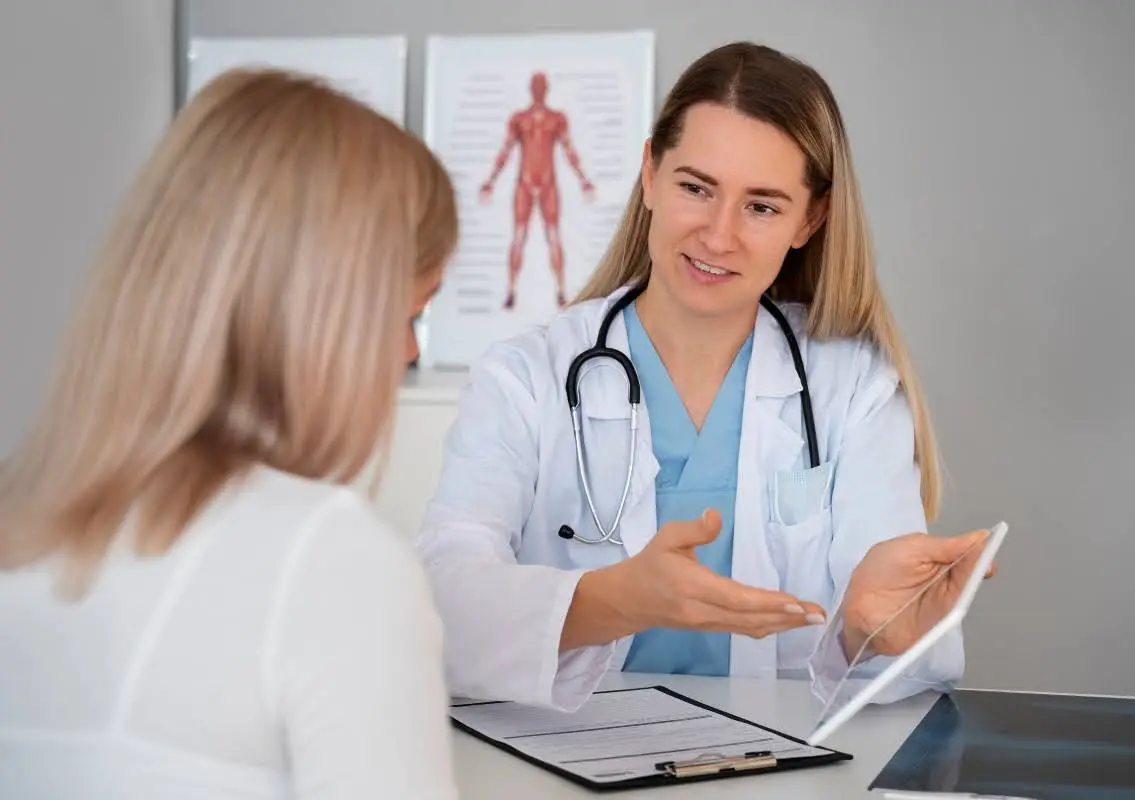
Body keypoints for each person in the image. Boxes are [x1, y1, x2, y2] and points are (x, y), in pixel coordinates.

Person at [416, 41, 998, 714]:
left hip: (776, 759)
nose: (719, 236)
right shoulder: (526, 378)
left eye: (762, 206)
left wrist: (869, 631)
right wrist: (613, 601)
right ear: (649, 174)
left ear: (811, 219)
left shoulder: (852, 391)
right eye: (695, 188)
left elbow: (907, 659)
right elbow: (438, 603)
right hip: (561, 755)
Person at [0, 68, 460, 798]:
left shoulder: (20, 518)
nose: (407, 354)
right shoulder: (331, 562)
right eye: (409, 314)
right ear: (327, 313)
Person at [479, 70, 596, 310]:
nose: (539, 90)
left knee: (553, 236)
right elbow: (506, 150)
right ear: (531, 89)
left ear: (546, 89)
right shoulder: (519, 119)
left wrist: (583, 179)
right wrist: (491, 180)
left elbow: (568, 149)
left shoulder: (557, 119)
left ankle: (561, 291)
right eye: (536, 85)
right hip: (525, 183)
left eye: (542, 86)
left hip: (547, 184)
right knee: (519, 237)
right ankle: (511, 290)